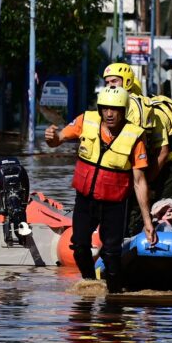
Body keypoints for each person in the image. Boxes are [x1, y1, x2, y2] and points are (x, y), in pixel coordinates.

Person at [44, 86, 156, 293]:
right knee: (79, 246)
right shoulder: (86, 121)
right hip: (85, 200)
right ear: (100, 109)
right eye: (105, 109)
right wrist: (51, 137)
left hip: (115, 204)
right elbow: (57, 140)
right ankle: (90, 283)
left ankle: (115, 295)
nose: (109, 114)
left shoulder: (135, 136)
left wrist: (147, 221)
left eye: (115, 109)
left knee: (112, 253)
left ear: (123, 110)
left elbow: (139, 181)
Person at [102, 63, 172, 235]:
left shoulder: (148, 111)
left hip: (168, 170)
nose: (110, 86)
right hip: (142, 170)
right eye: (107, 82)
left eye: (114, 81)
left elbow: (162, 152)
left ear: (126, 82)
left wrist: (145, 183)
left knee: (161, 214)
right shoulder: (114, 109)